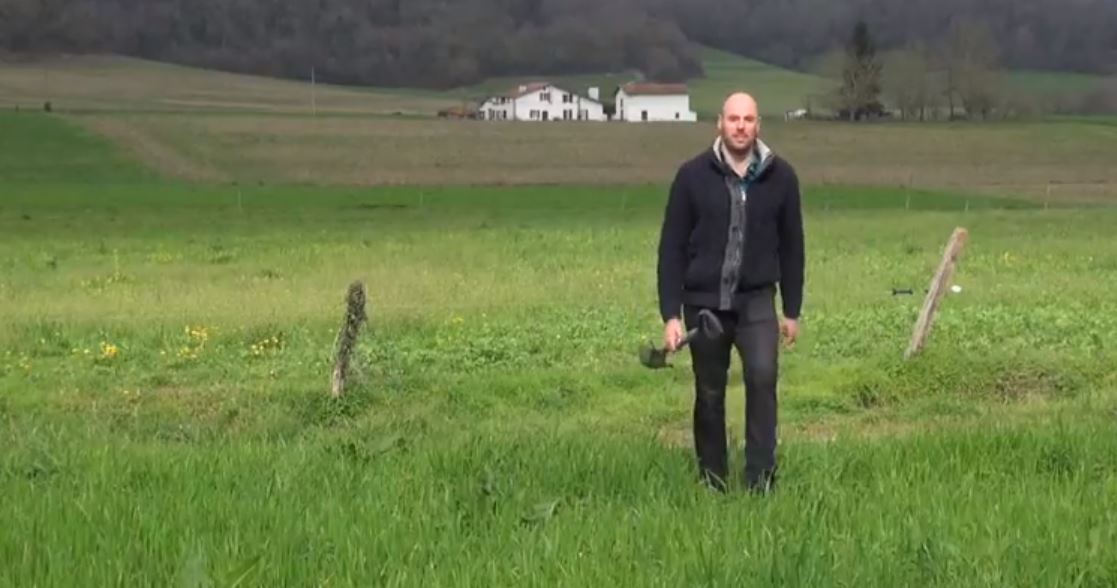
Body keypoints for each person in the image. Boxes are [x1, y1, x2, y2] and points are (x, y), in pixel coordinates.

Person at [656, 92, 805, 494]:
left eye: (749, 119)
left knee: (762, 378)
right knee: (709, 389)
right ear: (719, 123)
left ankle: (760, 480)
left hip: (756, 300)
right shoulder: (691, 176)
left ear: (759, 126)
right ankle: (713, 480)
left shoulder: (782, 177)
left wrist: (791, 310)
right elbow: (671, 246)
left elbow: (793, 246)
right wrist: (670, 314)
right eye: (734, 119)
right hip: (703, 303)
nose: (741, 126)